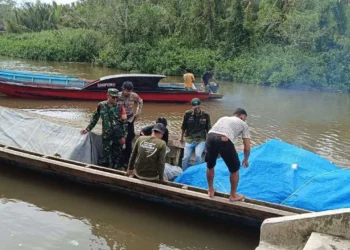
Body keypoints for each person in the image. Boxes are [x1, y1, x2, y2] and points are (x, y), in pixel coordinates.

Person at [205, 108, 251, 202]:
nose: (244, 120)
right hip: (224, 139)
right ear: (241, 116)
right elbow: (247, 147)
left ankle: (210, 190)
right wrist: (245, 159)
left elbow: (215, 134)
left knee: (210, 165)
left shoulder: (223, 118)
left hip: (210, 137)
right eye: (244, 118)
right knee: (234, 169)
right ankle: (233, 195)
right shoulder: (243, 124)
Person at [81, 88, 127, 169]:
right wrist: (88, 129)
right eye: (113, 97)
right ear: (108, 96)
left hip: (117, 136)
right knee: (105, 155)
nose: (115, 99)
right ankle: (105, 169)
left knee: (117, 155)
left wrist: (124, 136)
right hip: (106, 135)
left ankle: (116, 170)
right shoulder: (101, 105)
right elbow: (94, 119)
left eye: (116, 98)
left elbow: (125, 123)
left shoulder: (120, 107)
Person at [180, 98, 211, 171]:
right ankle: (184, 172)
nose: (196, 109)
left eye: (198, 107)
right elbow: (183, 127)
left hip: (201, 140)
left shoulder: (206, 115)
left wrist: (209, 140)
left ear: (200, 106)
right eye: (195, 107)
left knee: (198, 156)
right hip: (189, 139)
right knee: (185, 158)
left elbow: (208, 129)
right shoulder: (187, 114)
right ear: (192, 107)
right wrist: (181, 138)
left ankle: (198, 172)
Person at [118, 81, 143, 167]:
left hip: (130, 119)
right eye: (127, 91)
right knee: (119, 138)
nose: (129, 93)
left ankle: (127, 158)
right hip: (120, 120)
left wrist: (138, 113)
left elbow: (140, 101)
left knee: (130, 136)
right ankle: (119, 158)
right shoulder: (117, 96)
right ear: (123, 89)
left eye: (130, 91)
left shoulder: (134, 95)